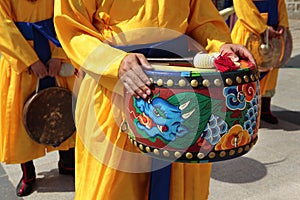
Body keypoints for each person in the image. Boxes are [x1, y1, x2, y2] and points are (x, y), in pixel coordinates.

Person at [53, 0, 256, 199]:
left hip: (183, 89)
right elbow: (73, 29)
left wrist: (221, 46)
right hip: (113, 87)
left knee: (182, 187)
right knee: (111, 187)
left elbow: (203, 20)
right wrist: (115, 61)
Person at [0, 0, 76, 197]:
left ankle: (67, 161)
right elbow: (2, 24)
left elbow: (68, 15)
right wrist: (30, 60)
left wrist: (60, 55)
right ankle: (28, 174)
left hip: (54, 48)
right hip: (22, 57)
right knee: (21, 115)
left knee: (64, 107)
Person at [230, 0, 289, 124]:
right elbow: (244, 9)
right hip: (250, 32)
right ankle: (244, 112)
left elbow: (280, 4)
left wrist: (283, 24)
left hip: (273, 37)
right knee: (248, 74)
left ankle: (265, 110)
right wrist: (263, 28)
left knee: (271, 71)